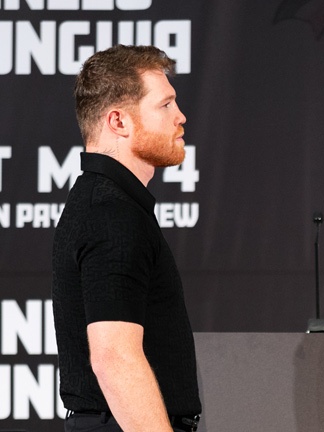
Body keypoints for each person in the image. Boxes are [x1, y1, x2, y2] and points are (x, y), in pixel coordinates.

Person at [52, 45, 201, 432]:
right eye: (165, 105)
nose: (181, 117)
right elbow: (114, 356)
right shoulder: (111, 213)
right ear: (118, 121)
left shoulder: (105, 204)